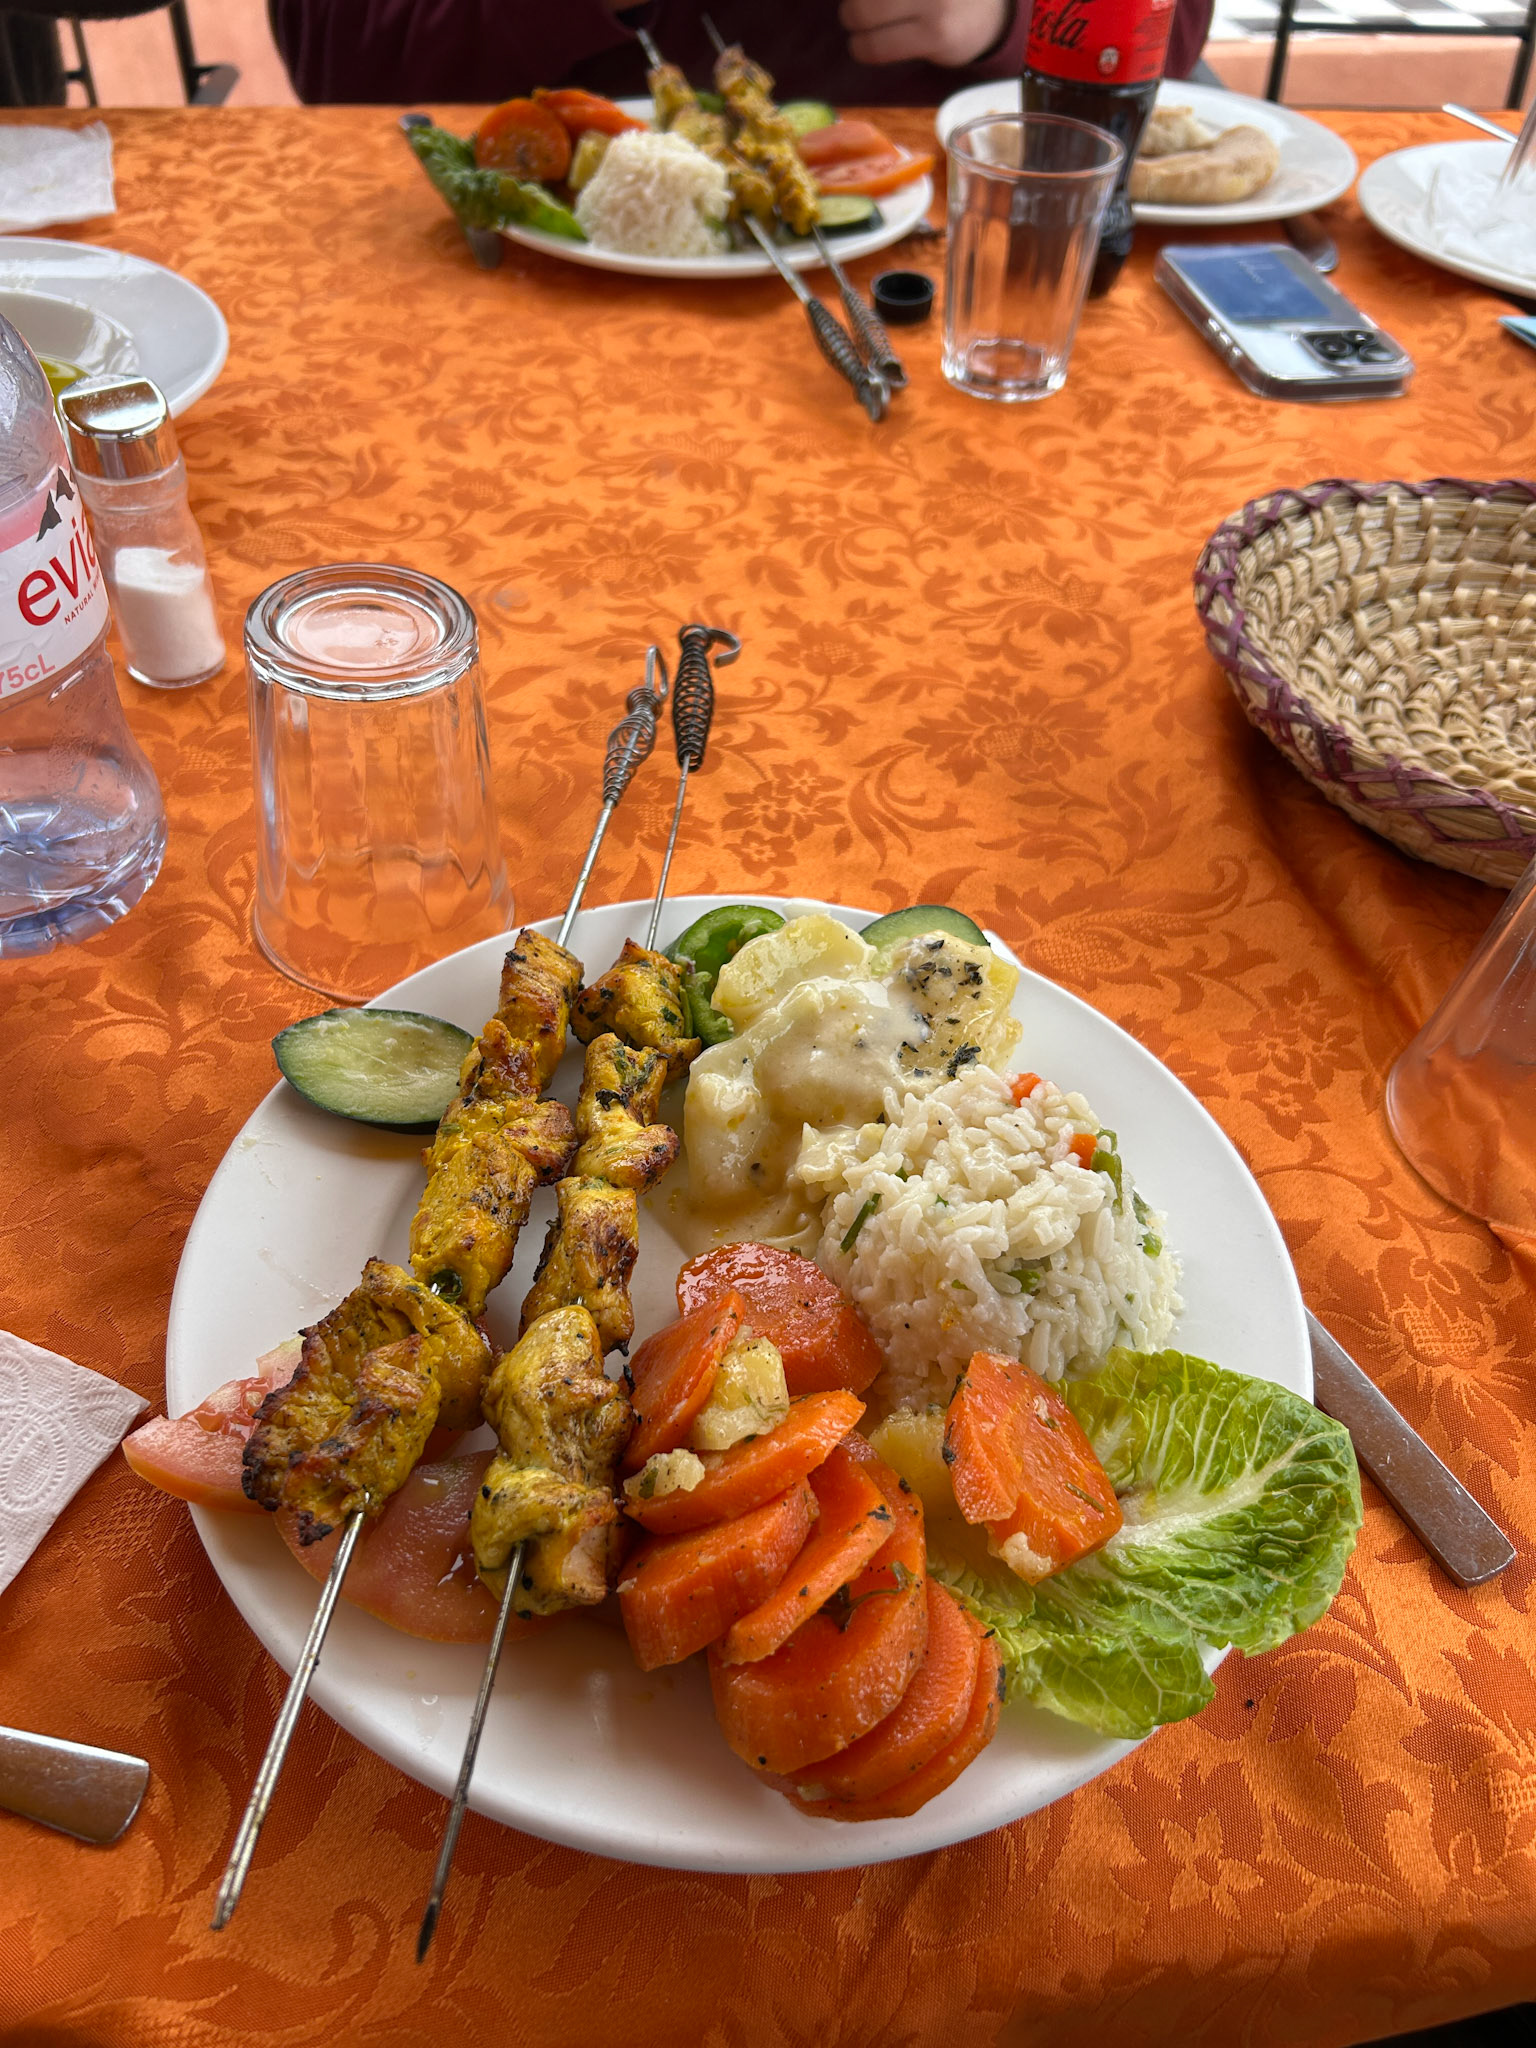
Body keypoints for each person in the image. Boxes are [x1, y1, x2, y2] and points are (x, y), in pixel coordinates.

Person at [272, 0, 1210, 109]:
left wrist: (1009, 18)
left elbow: (1171, 31)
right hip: (526, 267)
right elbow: (338, 56)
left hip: (943, 261)